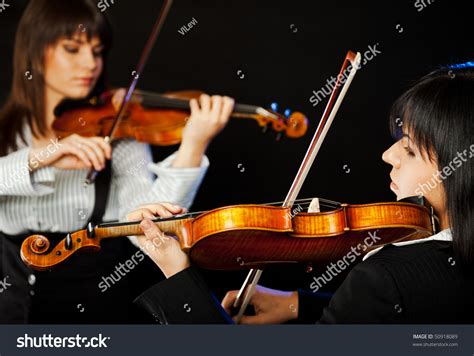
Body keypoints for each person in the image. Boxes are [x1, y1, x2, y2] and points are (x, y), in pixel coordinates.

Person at [128, 64, 474, 324]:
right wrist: (298, 303)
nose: (389, 155)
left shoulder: (386, 277)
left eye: (410, 150)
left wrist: (178, 276)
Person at [0, 0, 234, 323]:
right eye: (73, 49)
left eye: (97, 52)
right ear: (34, 53)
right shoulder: (6, 131)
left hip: (93, 314)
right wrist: (43, 158)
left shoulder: (116, 130)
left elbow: (147, 229)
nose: (90, 64)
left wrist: (192, 146)